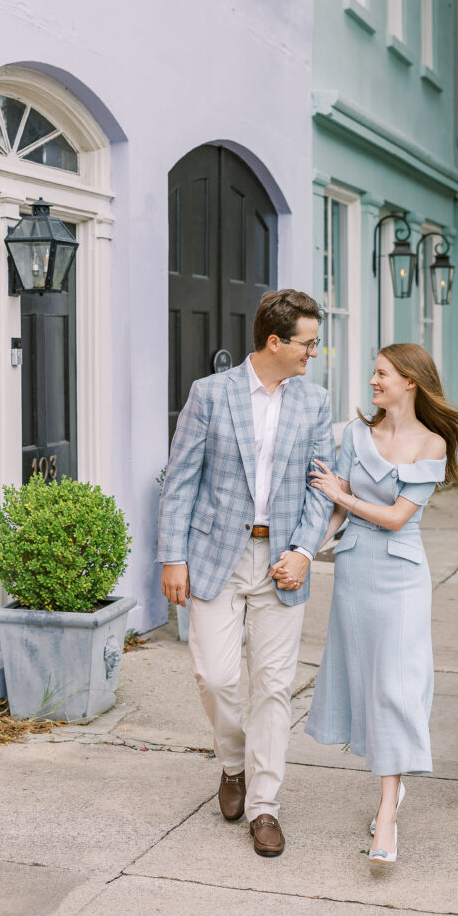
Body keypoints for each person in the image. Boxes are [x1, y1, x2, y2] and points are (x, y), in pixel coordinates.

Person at [157, 289, 335, 858]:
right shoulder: (210, 395)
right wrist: (172, 556)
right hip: (216, 557)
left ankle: (264, 805)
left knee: (274, 686)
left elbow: (321, 488)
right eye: (307, 342)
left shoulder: (315, 402)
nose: (314, 352)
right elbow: (181, 478)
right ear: (274, 341)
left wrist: (306, 551)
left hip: (282, 563)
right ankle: (232, 762)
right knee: (215, 677)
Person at [299, 343, 458, 866]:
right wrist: (306, 551)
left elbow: (396, 516)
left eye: (382, 374)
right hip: (354, 572)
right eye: (373, 372)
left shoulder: (432, 444)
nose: (373, 381)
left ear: (410, 382)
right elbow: (335, 507)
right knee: (368, 683)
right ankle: (392, 788)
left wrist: (341, 496)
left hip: (400, 577)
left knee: (396, 686)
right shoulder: (356, 434)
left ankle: (387, 817)